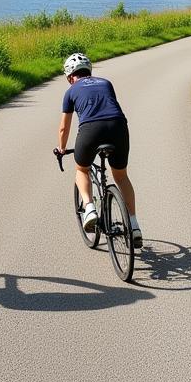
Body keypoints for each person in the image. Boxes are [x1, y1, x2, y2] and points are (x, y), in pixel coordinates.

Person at [56, 52, 142, 247]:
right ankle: (134, 225)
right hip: (118, 127)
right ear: (89, 71)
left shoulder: (70, 92)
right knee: (121, 176)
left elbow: (64, 128)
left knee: (81, 169)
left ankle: (89, 208)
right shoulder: (105, 83)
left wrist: (61, 148)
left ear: (70, 77)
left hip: (90, 130)